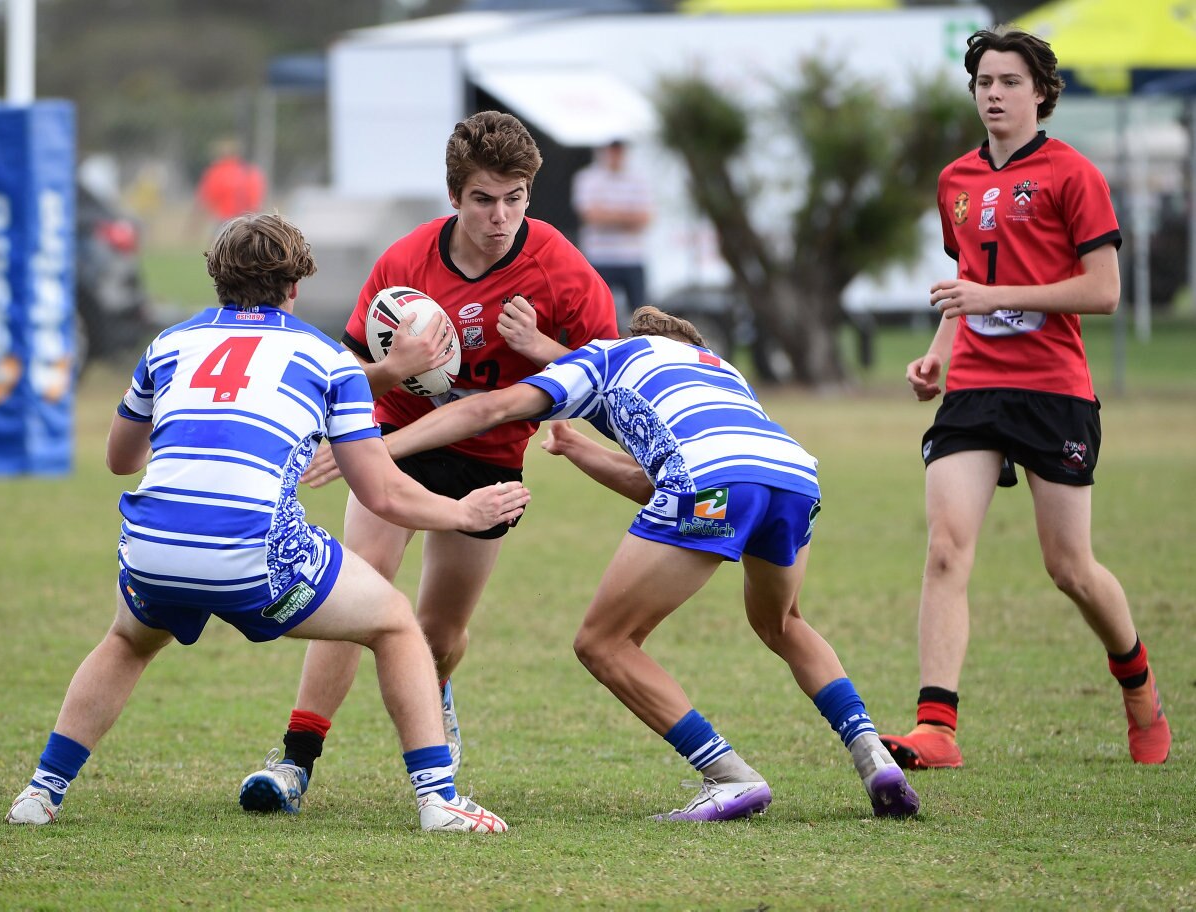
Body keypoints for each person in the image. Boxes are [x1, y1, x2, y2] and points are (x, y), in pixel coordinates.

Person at [5, 214, 529, 834]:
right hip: (251, 549)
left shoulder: (168, 345)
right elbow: (382, 493)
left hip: (152, 543)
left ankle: (40, 794)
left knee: (127, 641)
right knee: (394, 625)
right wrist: (462, 512)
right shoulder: (326, 358)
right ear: (296, 284)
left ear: (217, 277)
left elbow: (120, 460)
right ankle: (439, 802)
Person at [303, 306, 921, 821]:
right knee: (783, 621)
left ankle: (730, 776)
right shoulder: (720, 369)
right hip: (791, 474)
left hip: (713, 477)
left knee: (603, 641)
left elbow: (488, 409)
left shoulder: (607, 356)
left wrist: (377, 448)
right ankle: (874, 758)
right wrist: (579, 449)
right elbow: (671, 484)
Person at [251, 111, 618, 805]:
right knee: (354, 590)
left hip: (488, 457)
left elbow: (615, 372)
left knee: (439, 632)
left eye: (515, 199)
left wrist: (545, 352)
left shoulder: (558, 267)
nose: (500, 216)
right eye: (484, 199)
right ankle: (294, 761)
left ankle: (437, 684)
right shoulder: (406, 261)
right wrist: (394, 370)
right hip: (399, 436)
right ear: (455, 197)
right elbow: (351, 372)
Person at [879, 27, 1171, 771]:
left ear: (1041, 91)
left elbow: (1102, 291)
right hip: (975, 385)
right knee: (945, 549)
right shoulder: (955, 181)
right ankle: (936, 728)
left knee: (1069, 567)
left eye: (1009, 81)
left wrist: (991, 295)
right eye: (983, 82)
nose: (994, 94)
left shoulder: (1074, 174)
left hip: (1051, 388)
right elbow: (964, 289)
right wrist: (937, 357)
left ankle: (1136, 682)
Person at [571, 139, 654, 321]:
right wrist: (628, 216)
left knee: (641, 315)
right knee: (595, 313)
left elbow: (645, 219)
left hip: (631, 257)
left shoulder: (639, 178)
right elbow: (591, 216)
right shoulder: (588, 177)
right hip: (599, 257)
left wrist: (607, 214)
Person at [195, 138, 265, 227]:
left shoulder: (217, 171)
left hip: (225, 218)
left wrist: (197, 220)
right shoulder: (249, 171)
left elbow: (207, 196)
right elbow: (256, 196)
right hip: (248, 218)